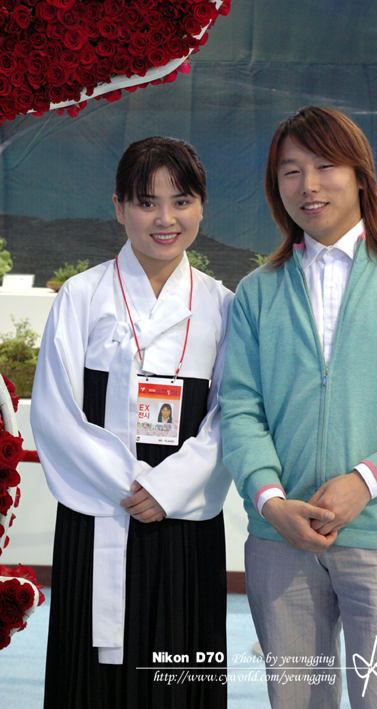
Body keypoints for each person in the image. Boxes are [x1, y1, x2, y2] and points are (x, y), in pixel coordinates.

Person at [219, 106, 377, 709]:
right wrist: (270, 501)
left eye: (325, 166)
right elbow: (240, 407)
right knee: (296, 699)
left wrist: (366, 480)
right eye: (290, 171)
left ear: (360, 174)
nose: (307, 185)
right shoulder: (257, 291)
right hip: (280, 537)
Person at [31, 136, 233, 708]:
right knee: (90, 679)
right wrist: (129, 485)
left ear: (202, 207)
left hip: (183, 518)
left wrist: (168, 487)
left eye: (181, 201)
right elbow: (55, 412)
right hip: (100, 511)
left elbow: (230, 415)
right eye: (147, 202)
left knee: (180, 670)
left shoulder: (222, 304)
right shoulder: (82, 296)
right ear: (119, 207)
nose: (165, 219)